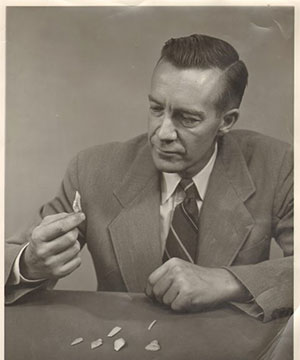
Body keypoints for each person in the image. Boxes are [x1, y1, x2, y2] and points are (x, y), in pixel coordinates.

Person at [5, 34, 293, 322]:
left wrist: (228, 281)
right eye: (156, 109)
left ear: (226, 121)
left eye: (187, 118)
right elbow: (11, 254)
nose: (163, 133)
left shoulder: (277, 165)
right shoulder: (92, 170)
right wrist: (29, 263)